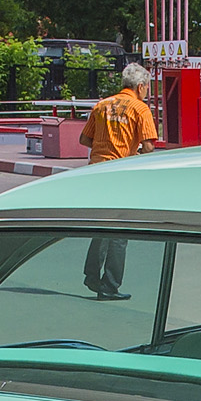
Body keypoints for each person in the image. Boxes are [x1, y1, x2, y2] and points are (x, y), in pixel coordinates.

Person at [78, 62, 158, 301]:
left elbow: (84, 139)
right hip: (121, 174)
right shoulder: (140, 109)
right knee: (120, 231)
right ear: (140, 86)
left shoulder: (102, 105)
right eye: (147, 87)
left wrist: (105, 147)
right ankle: (110, 285)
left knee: (103, 224)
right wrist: (133, 153)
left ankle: (92, 275)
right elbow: (149, 146)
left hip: (96, 172)